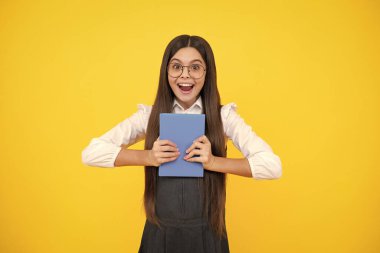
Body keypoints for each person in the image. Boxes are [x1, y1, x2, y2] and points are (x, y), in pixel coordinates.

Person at [81, 34, 282, 253]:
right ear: (166, 71)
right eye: (176, 67)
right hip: (159, 237)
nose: (185, 76)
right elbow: (91, 153)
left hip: (208, 237)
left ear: (207, 73)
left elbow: (272, 166)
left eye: (195, 67)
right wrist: (148, 157)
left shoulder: (223, 117)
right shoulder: (149, 116)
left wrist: (213, 161)